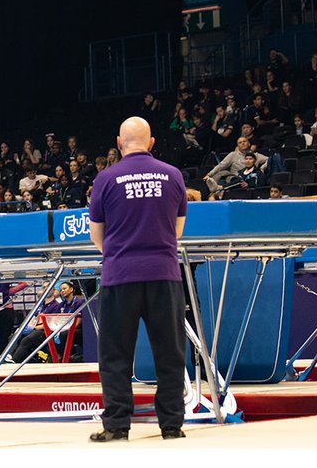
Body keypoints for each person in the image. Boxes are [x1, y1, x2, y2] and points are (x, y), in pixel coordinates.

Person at [88, 117, 188, 442]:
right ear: (152, 142)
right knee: (169, 352)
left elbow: (97, 236)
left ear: (119, 142)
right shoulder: (173, 176)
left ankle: (117, 425)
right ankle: (171, 425)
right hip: (164, 274)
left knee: (116, 354)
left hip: (120, 276)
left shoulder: (105, 179)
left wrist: (121, 254)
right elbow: (176, 231)